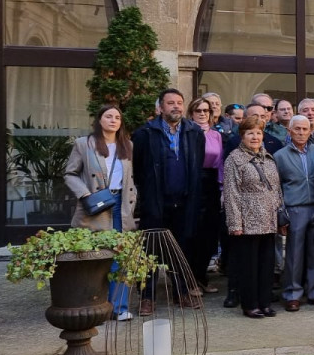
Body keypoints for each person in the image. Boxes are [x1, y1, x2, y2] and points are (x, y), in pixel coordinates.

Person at [132, 88, 205, 314]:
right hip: (155, 202)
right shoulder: (145, 134)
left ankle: (181, 293)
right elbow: (137, 169)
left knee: (181, 249)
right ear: (161, 107)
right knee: (150, 251)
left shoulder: (194, 132)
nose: (176, 106)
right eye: (170, 103)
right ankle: (148, 297)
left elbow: (197, 168)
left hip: (184, 202)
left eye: (179, 102)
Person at [63, 104, 137, 320]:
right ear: (99, 120)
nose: (113, 120)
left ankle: (119, 308)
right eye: (108, 116)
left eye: (117, 117)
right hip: (95, 204)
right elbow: (70, 174)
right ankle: (94, 307)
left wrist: (133, 200)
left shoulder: (127, 145)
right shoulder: (83, 144)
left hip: (120, 204)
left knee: (121, 255)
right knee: (95, 256)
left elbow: (130, 179)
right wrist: (85, 194)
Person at [222, 115, 284, 319]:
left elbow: (276, 189)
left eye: (258, 132)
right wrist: (235, 224)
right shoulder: (234, 159)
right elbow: (231, 193)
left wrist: (281, 215)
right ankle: (250, 304)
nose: (255, 137)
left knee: (266, 265)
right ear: (242, 135)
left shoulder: (268, 158)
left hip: (268, 219)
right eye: (250, 133)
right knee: (249, 266)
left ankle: (265, 302)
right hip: (247, 221)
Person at [275, 115, 314, 311]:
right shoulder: (280, 156)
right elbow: (277, 187)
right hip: (295, 208)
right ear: (289, 131)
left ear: (310, 131)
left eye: (305, 129)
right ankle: (292, 293)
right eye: (297, 129)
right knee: (294, 254)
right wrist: (281, 214)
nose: (301, 132)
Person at [187, 95, 223, 295]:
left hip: (210, 185)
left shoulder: (216, 135)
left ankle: (202, 278)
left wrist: (221, 187)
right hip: (192, 184)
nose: (202, 114)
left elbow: (219, 164)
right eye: (198, 111)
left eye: (206, 111)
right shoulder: (186, 133)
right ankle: (190, 280)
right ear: (191, 114)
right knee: (192, 234)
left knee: (209, 234)